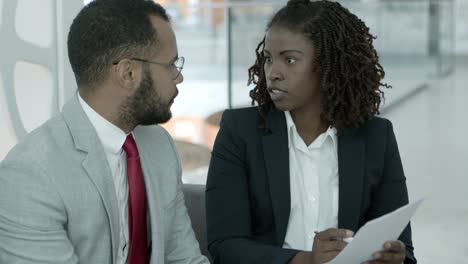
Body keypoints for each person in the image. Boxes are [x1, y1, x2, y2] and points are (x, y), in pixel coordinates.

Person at [205, 0, 416, 264]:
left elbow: (404, 249)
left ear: (330, 65)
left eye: (290, 59)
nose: (273, 73)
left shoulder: (376, 136)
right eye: (268, 59)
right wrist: (306, 260)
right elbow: (224, 245)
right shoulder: (240, 131)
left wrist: (393, 257)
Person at [0, 0, 209, 263]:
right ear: (128, 72)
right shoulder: (29, 175)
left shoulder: (160, 145)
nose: (178, 77)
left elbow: (183, 256)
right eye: (170, 64)